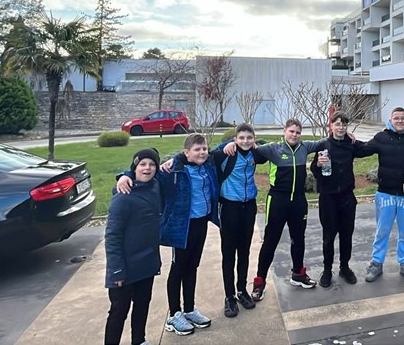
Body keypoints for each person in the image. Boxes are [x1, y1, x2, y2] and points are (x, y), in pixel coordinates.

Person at [117, 133, 219, 336]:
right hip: (181, 227)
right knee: (178, 268)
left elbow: (226, 148)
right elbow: (146, 171)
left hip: (201, 224)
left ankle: (189, 309)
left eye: (204, 149)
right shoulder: (172, 171)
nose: (202, 153)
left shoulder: (208, 165)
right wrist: (125, 175)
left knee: (193, 266)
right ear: (186, 152)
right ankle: (174, 314)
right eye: (197, 150)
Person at [223, 118, 326, 301]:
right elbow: (247, 147)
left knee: (298, 239)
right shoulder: (273, 149)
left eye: (298, 132)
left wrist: (346, 135)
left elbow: (325, 142)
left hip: (298, 201)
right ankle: (259, 281)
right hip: (277, 200)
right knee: (270, 241)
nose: (294, 135)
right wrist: (230, 143)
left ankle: (298, 274)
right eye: (291, 131)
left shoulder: (305, 147)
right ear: (284, 131)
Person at [360, 107, 404, 284]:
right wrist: (346, 139)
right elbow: (362, 150)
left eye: (403, 118)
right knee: (382, 231)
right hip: (385, 193)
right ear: (390, 121)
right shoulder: (381, 138)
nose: (399, 121)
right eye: (396, 118)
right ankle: (376, 263)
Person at [105, 149, 165, 345]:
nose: (147, 168)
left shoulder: (155, 186)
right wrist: (116, 269)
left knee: (142, 305)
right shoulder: (123, 197)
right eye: (142, 164)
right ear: (134, 168)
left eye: (152, 164)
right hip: (124, 267)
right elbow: (112, 236)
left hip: (146, 263)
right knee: (119, 311)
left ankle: (139, 340)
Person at [309, 111, 374, 288]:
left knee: (347, 235)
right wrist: (318, 164)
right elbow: (315, 170)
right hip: (328, 198)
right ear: (331, 125)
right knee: (328, 236)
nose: (341, 127)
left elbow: (370, 148)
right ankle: (327, 270)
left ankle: (344, 267)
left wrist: (386, 135)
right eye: (337, 124)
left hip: (347, 197)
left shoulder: (351, 144)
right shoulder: (323, 145)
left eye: (344, 125)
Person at [210, 123, 267, 318]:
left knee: (244, 251)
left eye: (249, 138)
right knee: (229, 254)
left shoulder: (256, 154)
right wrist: (225, 144)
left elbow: (270, 148)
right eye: (241, 138)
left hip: (249, 206)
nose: (245, 141)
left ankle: (241, 290)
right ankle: (229, 296)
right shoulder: (225, 154)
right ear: (235, 139)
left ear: (254, 139)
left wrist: (257, 145)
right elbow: (200, 155)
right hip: (229, 207)